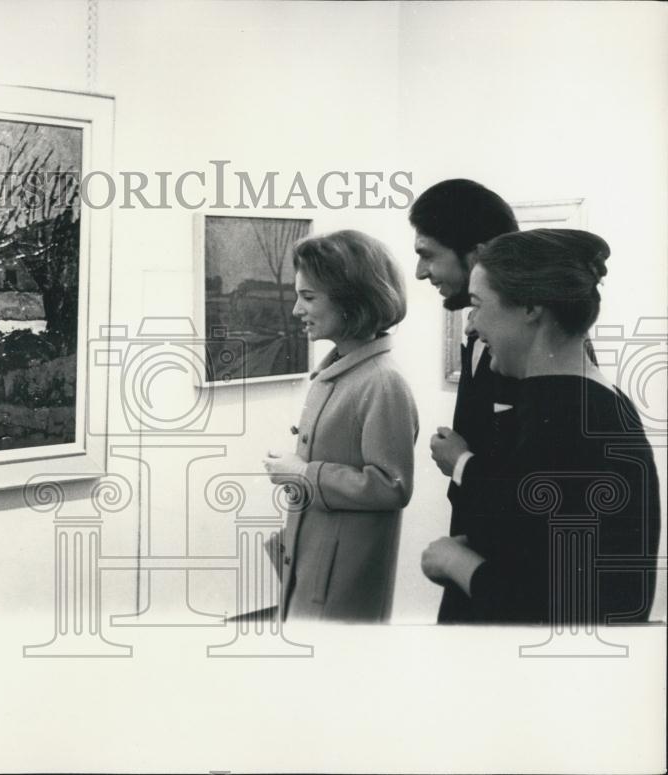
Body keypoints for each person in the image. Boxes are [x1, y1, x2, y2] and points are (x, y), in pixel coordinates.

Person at [420, 229, 661, 623]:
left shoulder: (568, 419)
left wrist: (456, 562)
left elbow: (548, 605)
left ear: (530, 307)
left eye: (478, 306)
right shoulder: (584, 401)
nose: (471, 325)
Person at [263, 230, 418, 621]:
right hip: (312, 568)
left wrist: (303, 473)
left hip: (343, 584)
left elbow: (391, 486)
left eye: (309, 297)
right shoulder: (338, 372)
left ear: (352, 301)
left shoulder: (382, 382)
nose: (297, 309)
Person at [409, 179, 520, 622]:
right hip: (470, 555)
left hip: (508, 584)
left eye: (428, 254)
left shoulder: (530, 355)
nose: (420, 273)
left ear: (475, 254)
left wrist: (461, 462)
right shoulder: (476, 337)